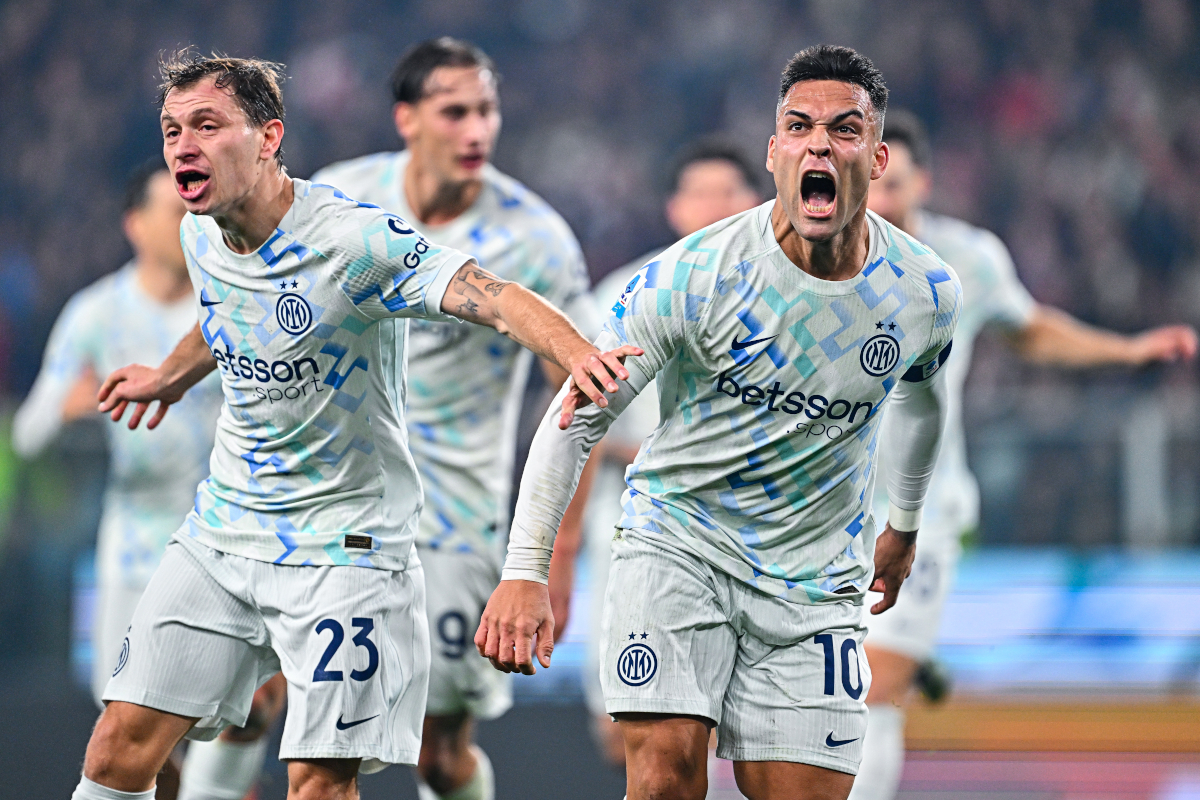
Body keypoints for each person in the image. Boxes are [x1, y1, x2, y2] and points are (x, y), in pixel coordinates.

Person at [70, 51, 635, 800]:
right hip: (226, 530)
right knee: (117, 748)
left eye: (208, 125)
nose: (183, 145)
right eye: (174, 129)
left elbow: (494, 296)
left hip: (347, 548)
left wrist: (578, 354)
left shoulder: (357, 242)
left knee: (326, 782)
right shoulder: (201, 234)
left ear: (269, 138)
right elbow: (228, 314)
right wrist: (168, 377)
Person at [477, 45, 962, 800]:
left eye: (844, 128)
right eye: (799, 127)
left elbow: (926, 405)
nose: (820, 145)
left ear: (876, 153)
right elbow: (577, 412)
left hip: (814, 580)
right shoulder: (693, 276)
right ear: (774, 153)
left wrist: (904, 523)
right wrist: (526, 568)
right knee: (666, 781)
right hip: (681, 549)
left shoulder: (924, 291)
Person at [848, 109, 1199, 800]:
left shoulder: (967, 261)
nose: (882, 203)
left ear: (920, 182)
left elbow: (1029, 329)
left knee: (877, 683)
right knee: (823, 694)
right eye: (870, 187)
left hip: (924, 513)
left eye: (895, 186)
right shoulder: (812, 259)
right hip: (822, 511)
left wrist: (1125, 350)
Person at [311, 37, 599, 800]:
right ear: (407, 119)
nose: (477, 129)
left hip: (455, 523)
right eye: (455, 111)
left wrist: (555, 554)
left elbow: (585, 391)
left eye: (487, 110)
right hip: (342, 506)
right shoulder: (340, 200)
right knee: (306, 741)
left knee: (438, 753)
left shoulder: (534, 239)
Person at [12, 160, 286, 800]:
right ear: (135, 226)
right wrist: (68, 406)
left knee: (252, 709)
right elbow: (28, 432)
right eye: (172, 210)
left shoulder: (231, 296)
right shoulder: (96, 315)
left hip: (231, 538)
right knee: (142, 739)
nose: (190, 219)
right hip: (136, 550)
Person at [582, 136, 763, 766]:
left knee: (737, 729)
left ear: (757, 201)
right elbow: (572, 416)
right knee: (626, 731)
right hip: (634, 522)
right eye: (701, 194)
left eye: (729, 194)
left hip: (753, 526)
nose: (715, 207)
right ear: (674, 209)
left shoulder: (782, 289)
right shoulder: (623, 290)